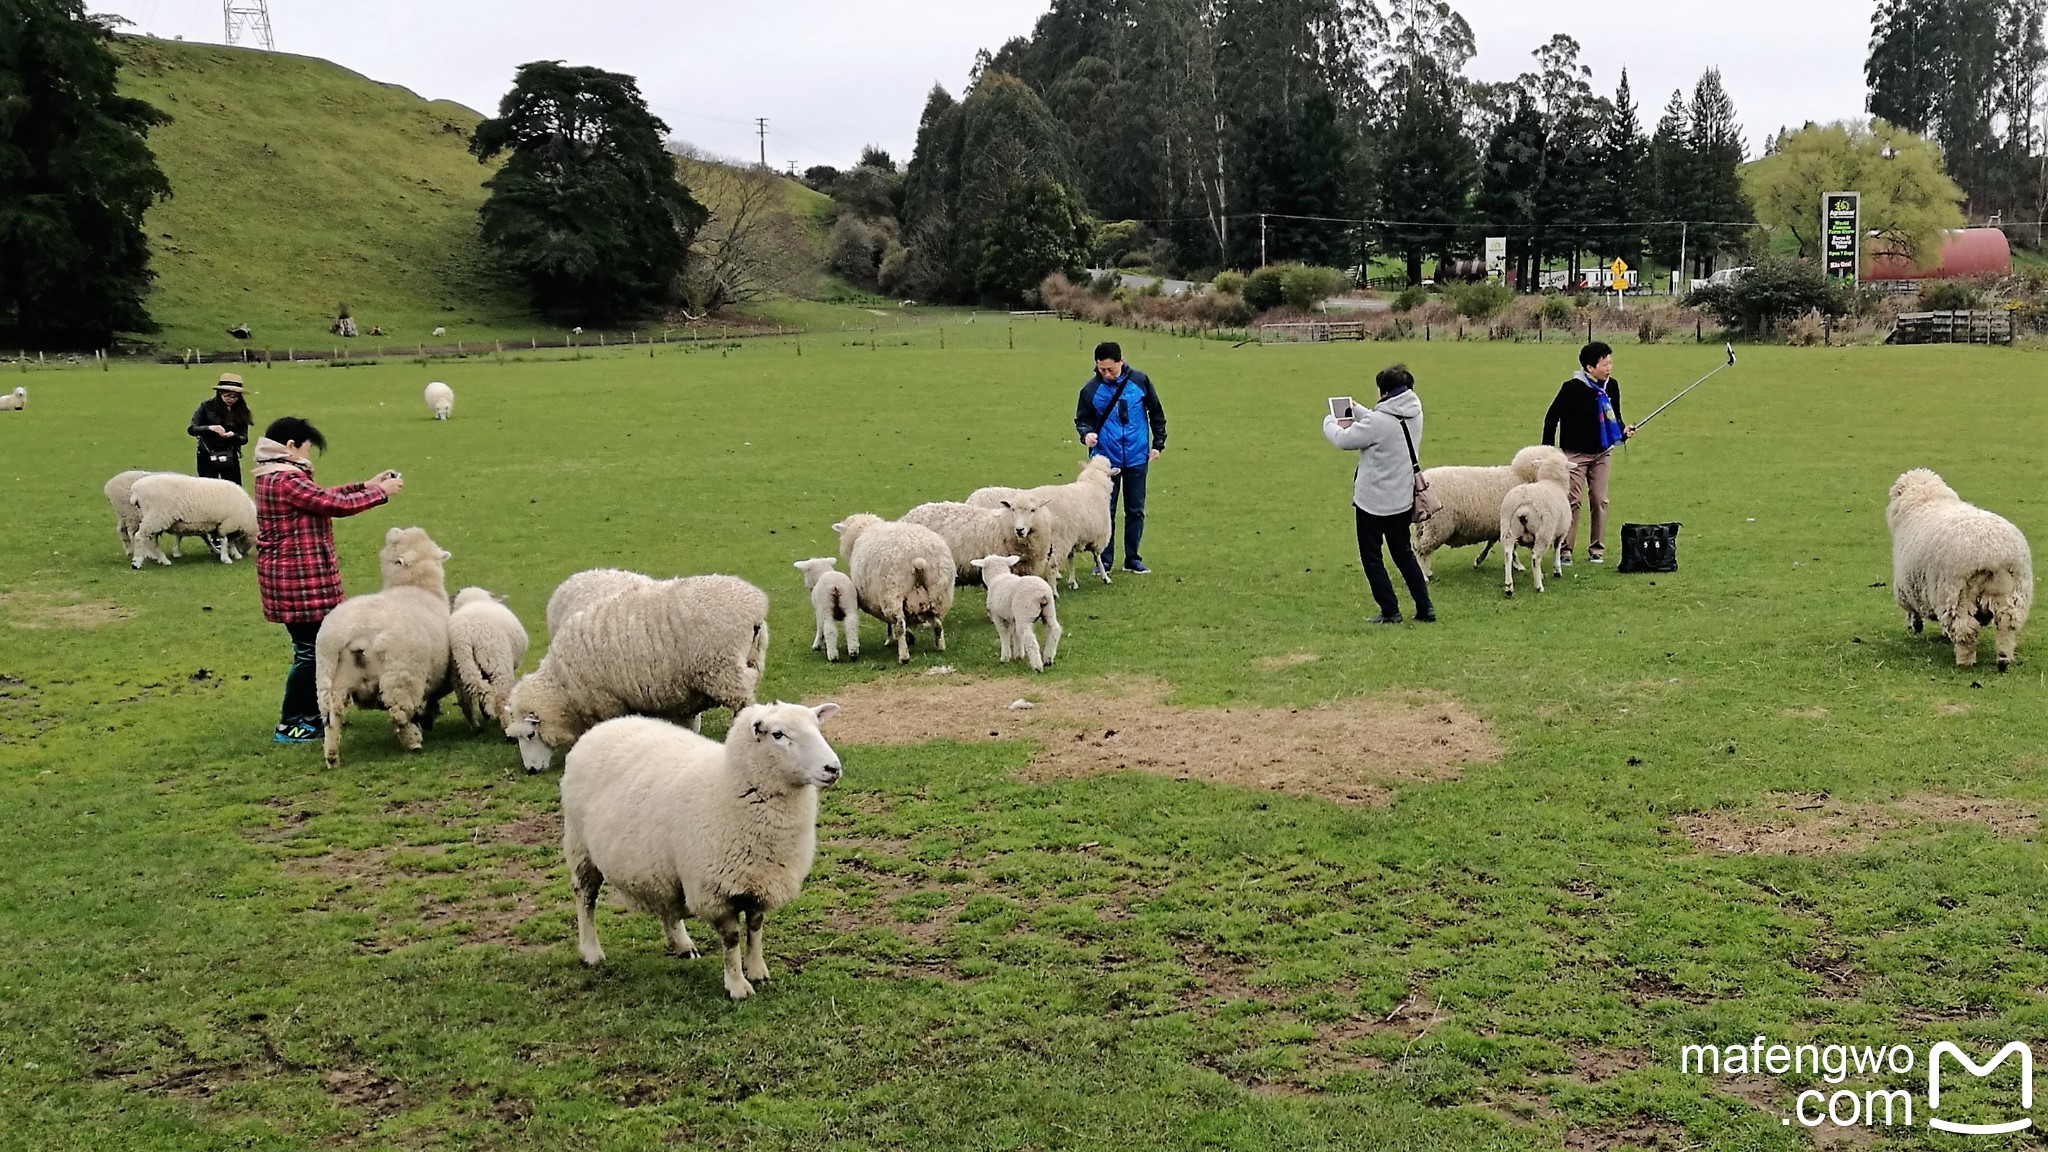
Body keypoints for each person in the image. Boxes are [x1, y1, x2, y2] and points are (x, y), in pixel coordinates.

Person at [252, 416, 403, 744]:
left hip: (305, 579)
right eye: (307, 449)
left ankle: (320, 712)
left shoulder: (279, 475)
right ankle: (292, 722)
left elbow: (319, 496)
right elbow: (332, 504)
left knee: (322, 648)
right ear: (290, 447)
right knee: (308, 652)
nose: (308, 457)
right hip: (298, 582)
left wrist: (366, 485)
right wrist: (380, 494)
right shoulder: (283, 479)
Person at [1323, 364, 1434, 624]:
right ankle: (1425, 607)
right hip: (1402, 500)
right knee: (1403, 554)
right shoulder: (1414, 412)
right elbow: (1386, 422)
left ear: (1383, 392)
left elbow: (1343, 439)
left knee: (1372, 558)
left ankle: (1390, 610)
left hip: (1372, 503)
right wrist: (1359, 409)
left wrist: (1329, 421)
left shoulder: (1377, 422)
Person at [1074, 341, 1166, 574]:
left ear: (1120, 362)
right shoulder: (1090, 390)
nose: (1106, 374)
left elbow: (1156, 412)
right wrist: (1086, 435)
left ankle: (1133, 558)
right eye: (1101, 369)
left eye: (1110, 369)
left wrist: (1158, 444)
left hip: (1137, 456)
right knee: (1106, 511)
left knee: (1135, 510)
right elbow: (1082, 419)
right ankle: (1104, 561)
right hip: (1104, 461)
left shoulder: (1140, 381)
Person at [1541, 341, 1636, 565]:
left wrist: (1623, 431)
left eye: (1610, 362)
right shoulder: (1571, 388)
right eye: (1604, 364)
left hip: (1602, 452)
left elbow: (1615, 416)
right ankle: (1564, 550)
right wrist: (1547, 450)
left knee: (1600, 499)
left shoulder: (1611, 386)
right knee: (1572, 500)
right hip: (1575, 455)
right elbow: (1551, 418)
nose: (1609, 368)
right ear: (1589, 367)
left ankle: (1597, 549)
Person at [189, 373, 253, 485]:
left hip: (230, 455)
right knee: (208, 488)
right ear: (220, 393)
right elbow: (192, 429)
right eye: (227, 396)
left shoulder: (242, 411)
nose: (231, 399)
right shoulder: (206, 406)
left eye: (235, 397)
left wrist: (233, 435)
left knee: (233, 488)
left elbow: (244, 438)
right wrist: (211, 428)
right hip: (207, 454)